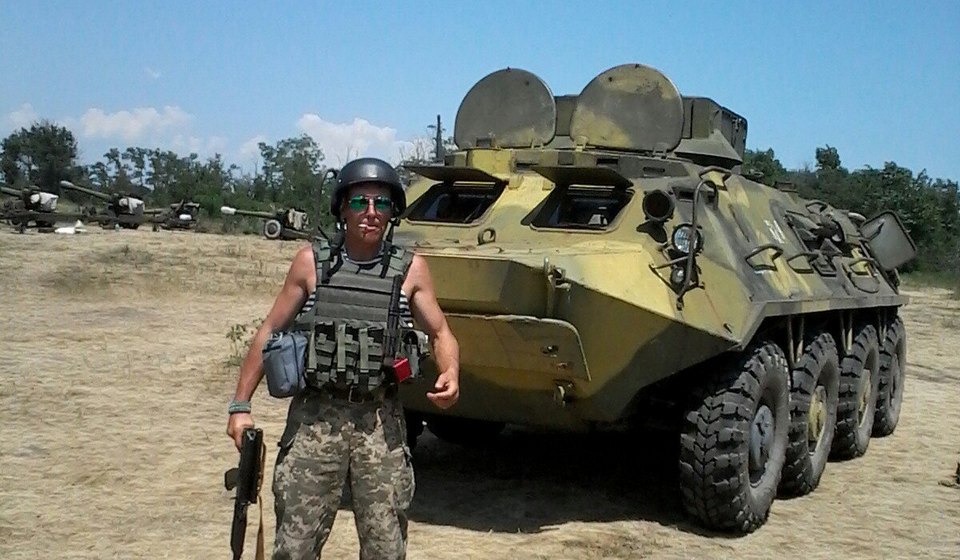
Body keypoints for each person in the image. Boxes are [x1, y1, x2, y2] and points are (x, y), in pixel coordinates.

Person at [226, 157, 460, 559]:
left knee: (385, 549)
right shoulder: (311, 263)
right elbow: (270, 331)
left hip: (379, 424)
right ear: (342, 209)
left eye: (381, 203)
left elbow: (441, 332)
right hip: (315, 422)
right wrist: (240, 406)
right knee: (295, 548)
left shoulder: (410, 269)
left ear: (392, 212)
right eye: (359, 202)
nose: (371, 212)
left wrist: (451, 371)